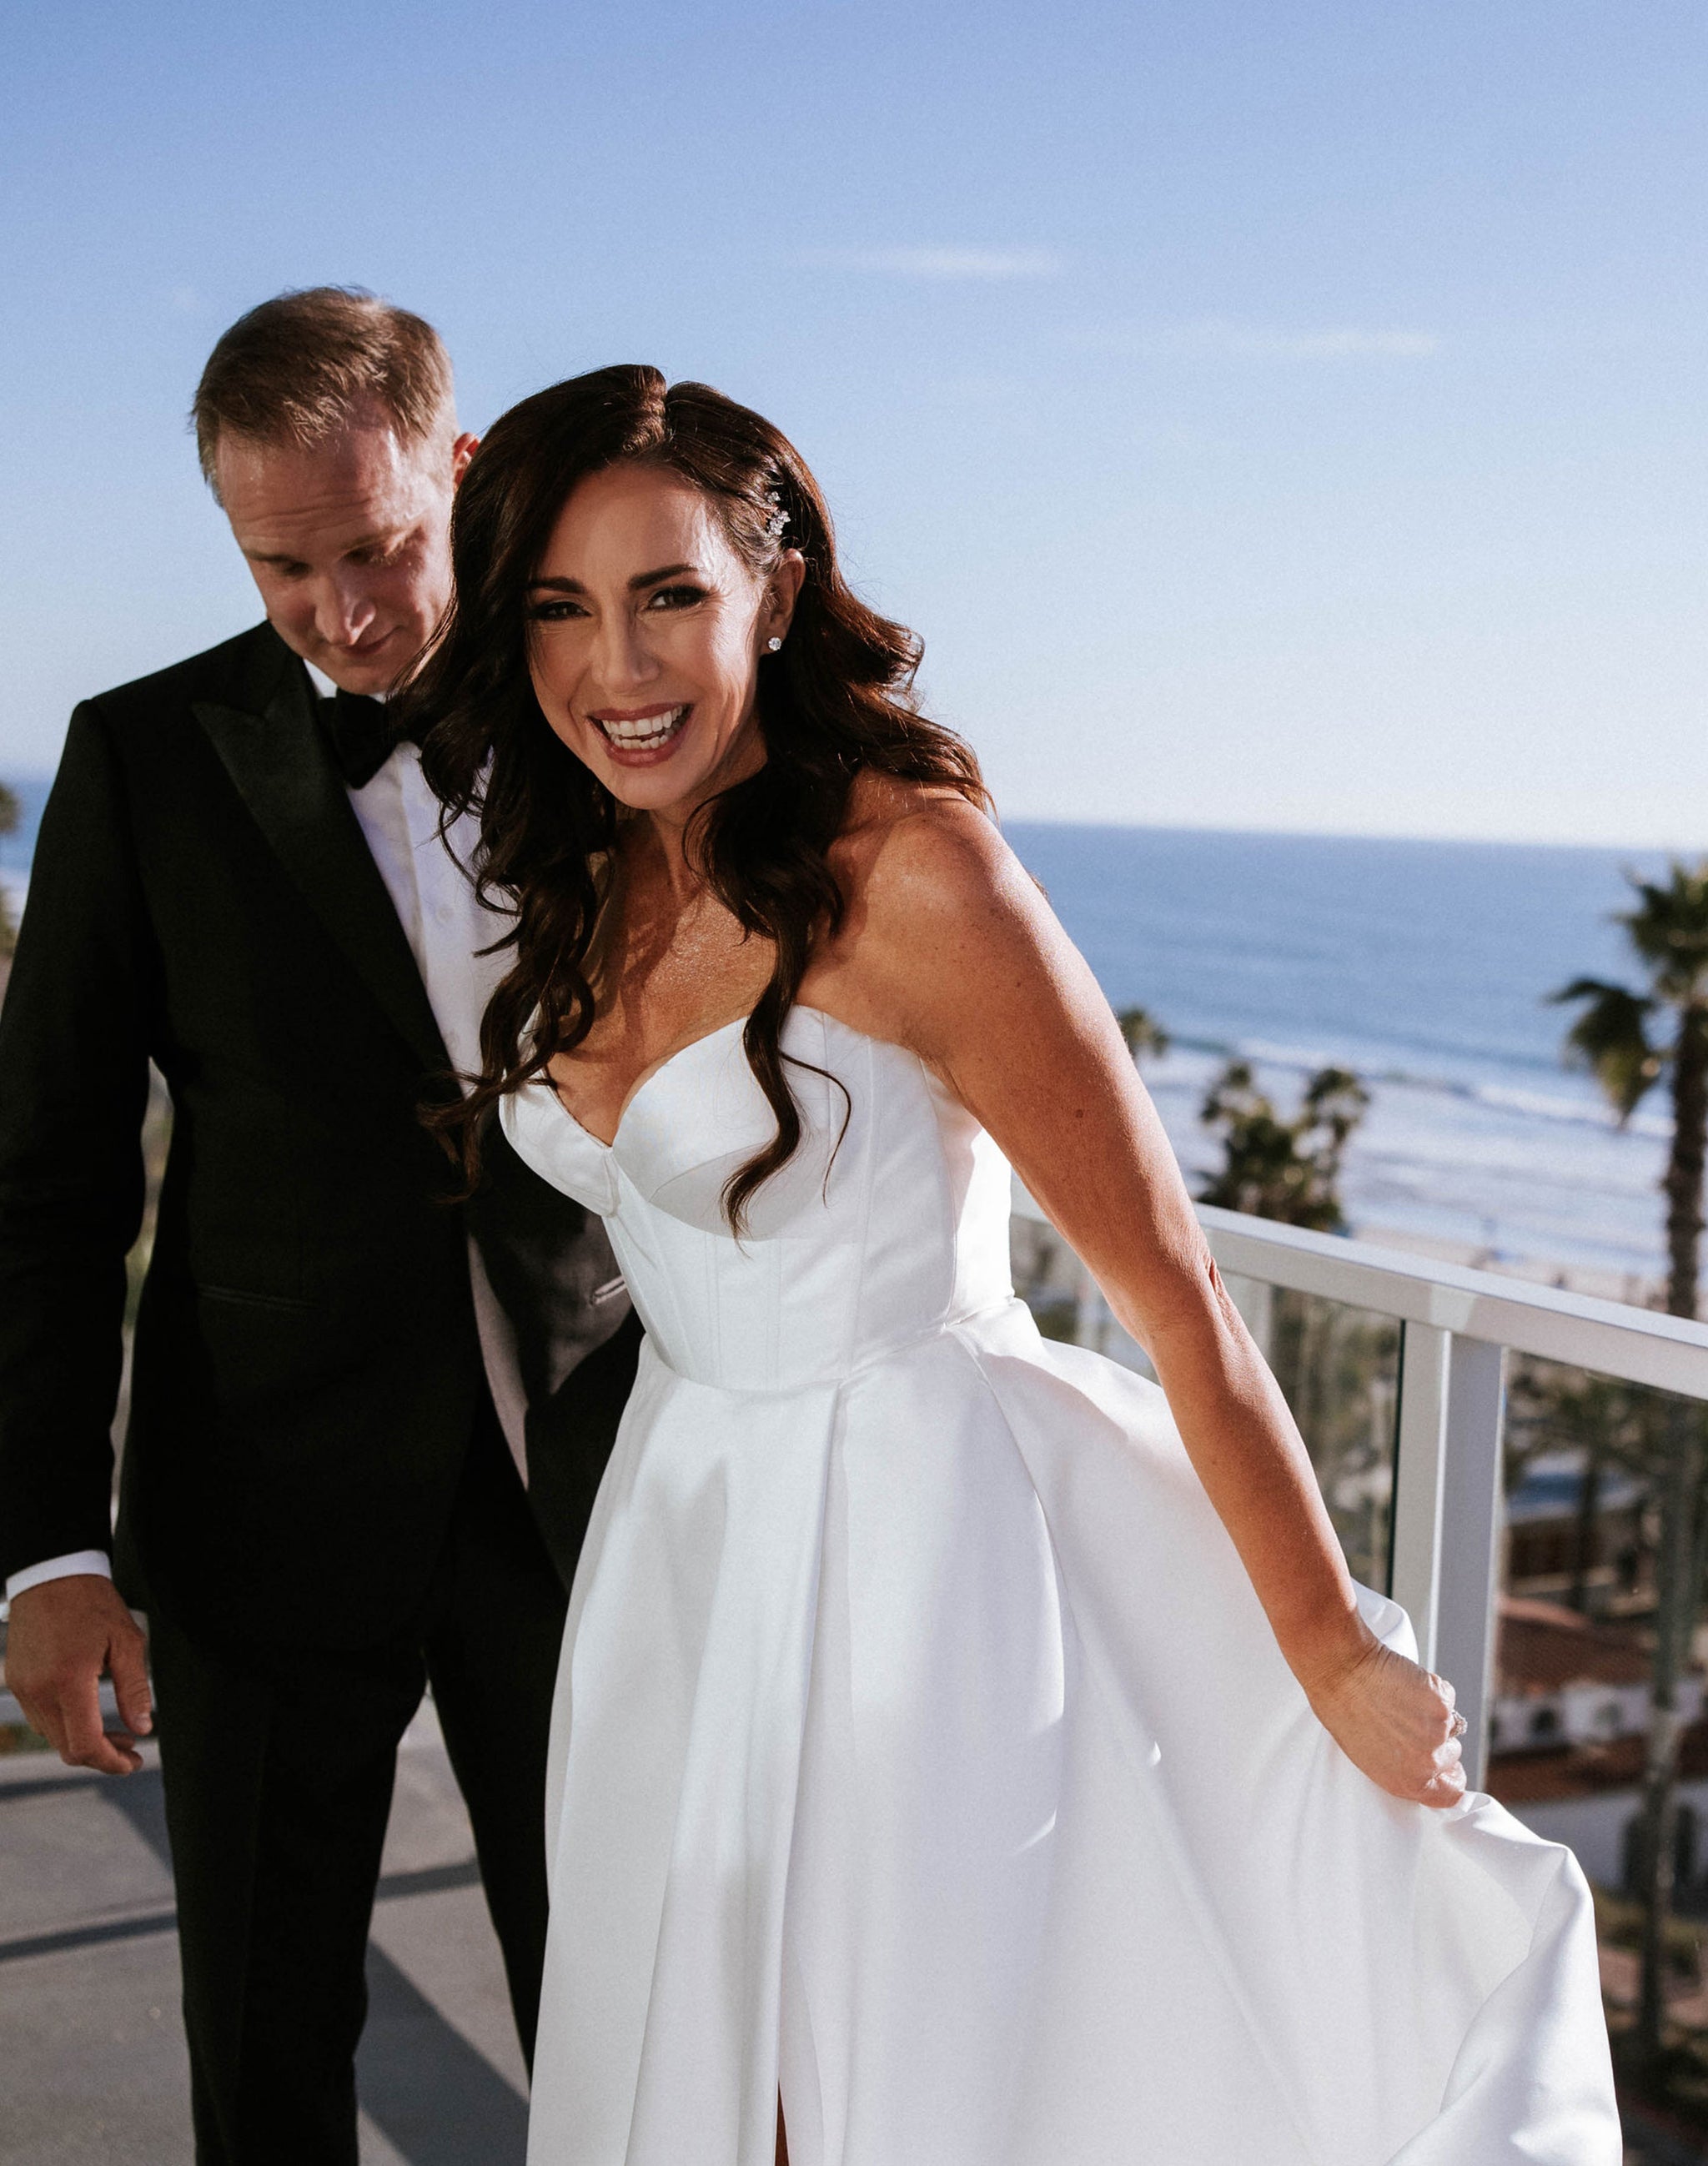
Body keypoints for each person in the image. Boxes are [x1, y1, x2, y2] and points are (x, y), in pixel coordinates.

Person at [410, 364, 1619, 2165]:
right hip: (679, 1550)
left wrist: (1318, 1643)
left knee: (892, 2078)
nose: (616, 670)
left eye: (671, 595)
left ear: (778, 590)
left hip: (915, 1553)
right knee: (695, 2067)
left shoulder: (914, 875)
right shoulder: (585, 870)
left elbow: (1174, 1290)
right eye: (560, 611)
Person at [0, 291, 640, 2164]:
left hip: (595, 1494)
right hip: (258, 1501)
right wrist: (46, 1551)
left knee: (634, 2013)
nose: (344, 612)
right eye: (284, 566)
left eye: (376, 548)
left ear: (459, 470)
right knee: (268, 2044)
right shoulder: (143, 756)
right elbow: (47, 1180)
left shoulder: (609, 715)